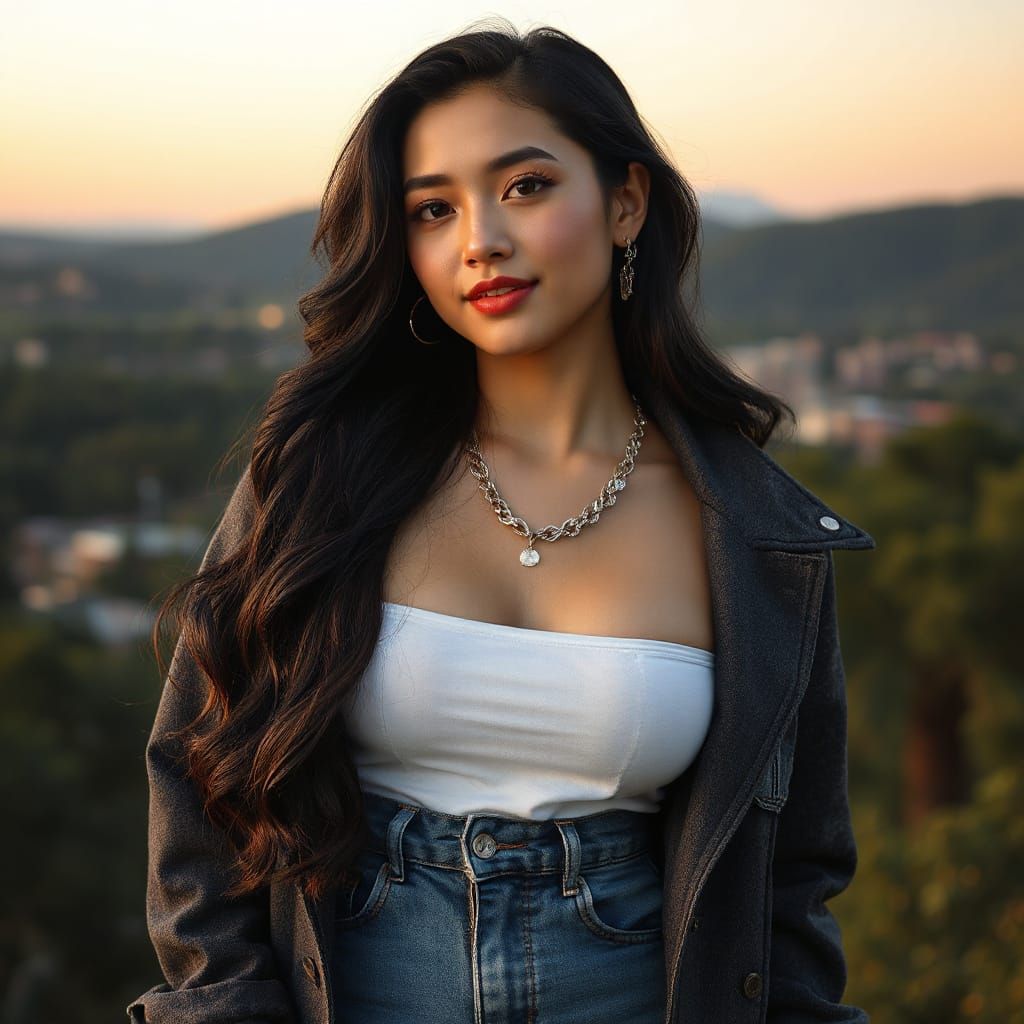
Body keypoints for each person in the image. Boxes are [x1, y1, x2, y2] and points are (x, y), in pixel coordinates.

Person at [127, 19, 875, 1024]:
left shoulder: (756, 532)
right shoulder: (320, 473)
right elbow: (196, 773)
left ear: (624, 201)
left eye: (525, 186)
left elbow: (793, 881)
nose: (479, 238)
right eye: (434, 209)